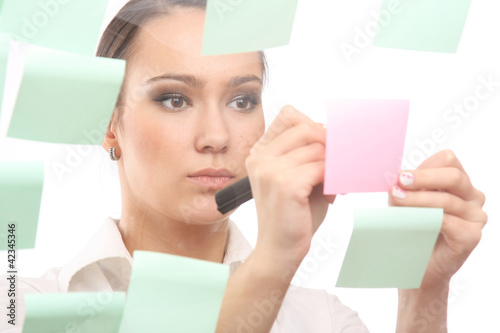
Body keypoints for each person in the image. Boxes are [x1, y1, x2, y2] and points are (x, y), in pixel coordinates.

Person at [0, 0, 487, 332]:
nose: (216, 137)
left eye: (241, 100)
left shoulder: (321, 320)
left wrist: (424, 292)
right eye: (174, 99)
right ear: (108, 121)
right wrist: (274, 260)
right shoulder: (21, 307)